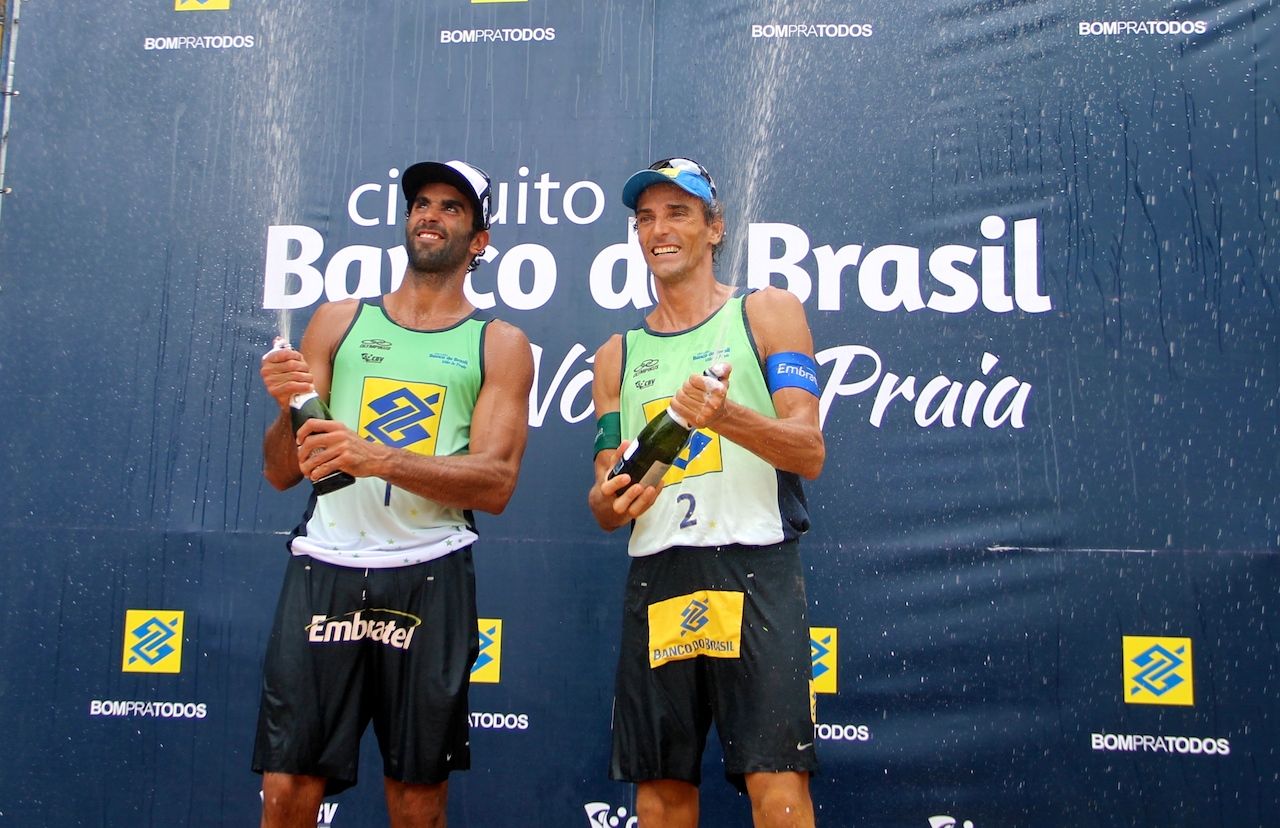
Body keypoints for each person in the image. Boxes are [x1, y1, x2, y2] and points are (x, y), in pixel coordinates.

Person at [254, 159, 534, 828]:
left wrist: (375, 456)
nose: (430, 215)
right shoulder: (339, 320)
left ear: (480, 240)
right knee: (287, 791)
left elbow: (495, 484)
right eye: (421, 204)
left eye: (451, 207)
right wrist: (284, 406)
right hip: (326, 565)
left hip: (429, 573)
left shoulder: (499, 342)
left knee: (415, 801)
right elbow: (281, 471)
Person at [588, 158, 825, 828]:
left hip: (754, 566)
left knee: (777, 794)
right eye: (646, 218)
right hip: (660, 572)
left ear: (714, 228)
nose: (659, 229)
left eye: (678, 213)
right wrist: (614, 498)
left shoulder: (767, 311)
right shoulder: (617, 354)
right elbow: (605, 495)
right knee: (661, 799)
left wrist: (724, 417)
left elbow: (808, 449)